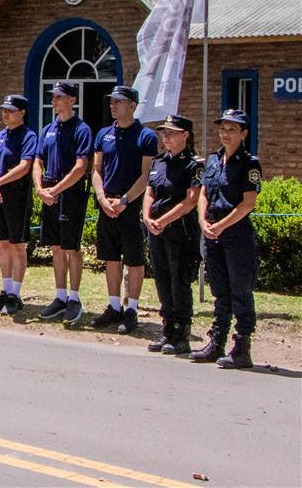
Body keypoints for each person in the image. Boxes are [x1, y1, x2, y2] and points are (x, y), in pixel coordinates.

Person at [190, 109, 262, 369]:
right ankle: (216, 342)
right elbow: (203, 194)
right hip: (211, 233)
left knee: (240, 290)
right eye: (223, 128)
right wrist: (203, 222)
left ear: (243, 133)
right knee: (219, 290)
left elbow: (248, 204)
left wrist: (220, 226)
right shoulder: (212, 160)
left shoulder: (249, 163)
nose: (226, 133)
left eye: (232, 129)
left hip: (236, 235)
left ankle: (242, 347)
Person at [91, 85, 158, 334]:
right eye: (112, 102)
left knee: (134, 259)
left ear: (132, 105)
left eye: (119, 102)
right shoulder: (103, 134)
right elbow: (96, 169)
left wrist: (125, 201)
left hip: (129, 206)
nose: (113, 105)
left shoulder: (146, 136)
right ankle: (113, 306)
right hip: (106, 204)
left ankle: (132, 309)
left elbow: (145, 176)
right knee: (110, 258)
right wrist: (101, 197)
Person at [32, 82, 93, 326]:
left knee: (71, 248)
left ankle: (74, 298)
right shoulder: (47, 129)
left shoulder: (81, 129)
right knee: (56, 248)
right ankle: (59, 296)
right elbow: (38, 161)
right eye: (52, 97)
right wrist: (39, 189)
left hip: (70, 194)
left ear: (72, 100)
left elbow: (81, 167)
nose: (54, 100)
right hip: (48, 191)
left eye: (59, 97)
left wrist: (55, 190)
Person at [143, 114, 202, 355]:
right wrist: (148, 218)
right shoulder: (159, 162)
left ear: (185, 135)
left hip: (180, 231)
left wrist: (163, 220)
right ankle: (167, 326)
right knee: (162, 278)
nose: (166, 137)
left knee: (179, 280)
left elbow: (190, 201)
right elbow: (149, 193)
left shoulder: (193, 164)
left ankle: (181, 332)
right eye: (164, 133)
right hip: (156, 230)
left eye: (172, 132)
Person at [0, 94, 38, 315]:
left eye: (10, 110)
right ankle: (5, 289)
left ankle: (15, 294)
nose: (5, 113)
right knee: (2, 244)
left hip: (15, 196)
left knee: (17, 246)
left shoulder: (28, 136)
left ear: (22, 112)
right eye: (4, 109)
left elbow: (24, 166)